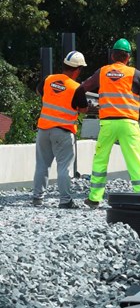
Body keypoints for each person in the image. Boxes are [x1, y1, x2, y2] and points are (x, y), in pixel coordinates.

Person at [73, 39, 140, 208]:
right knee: (135, 160)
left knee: (100, 160)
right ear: (128, 57)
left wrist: (82, 107)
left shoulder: (102, 72)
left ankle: (94, 197)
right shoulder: (133, 74)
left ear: (112, 55)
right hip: (128, 123)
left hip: (107, 124)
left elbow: (80, 89)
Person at [33, 51, 88, 208]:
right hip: (63, 131)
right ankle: (65, 200)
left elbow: (39, 92)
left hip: (43, 130)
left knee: (42, 164)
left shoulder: (48, 79)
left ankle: (38, 198)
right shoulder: (76, 88)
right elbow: (83, 109)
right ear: (77, 69)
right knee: (64, 167)